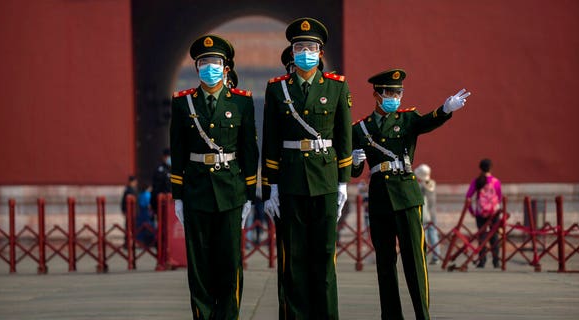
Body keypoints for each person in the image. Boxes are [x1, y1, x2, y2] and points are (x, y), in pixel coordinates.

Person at [351, 68, 470, 319]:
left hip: (406, 194)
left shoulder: (407, 119)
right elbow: (355, 171)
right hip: (380, 197)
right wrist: (354, 160)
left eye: (399, 92)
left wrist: (446, 109)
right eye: (391, 92)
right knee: (385, 263)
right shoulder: (360, 129)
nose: (396, 96)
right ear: (377, 94)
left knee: (415, 261)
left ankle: (422, 315)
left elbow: (427, 121)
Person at [262, 17, 352, 319]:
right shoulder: (277, 90)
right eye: (299, 46)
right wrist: (270, 186)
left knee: (325, 256)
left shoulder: (337, 87)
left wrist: (342, 182)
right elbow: (271, 140)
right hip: (289, 181)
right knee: (293, 259)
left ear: (320, 52)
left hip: (325, 180)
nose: (305, 52)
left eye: (310, 47)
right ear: (292, 50)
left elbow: (344, 136)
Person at [169, 34, 259, 319]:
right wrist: (178, 198)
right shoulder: (183, 104)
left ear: (226, 68)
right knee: (199, 266)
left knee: (230, 263)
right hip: (196, 192)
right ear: (197, 67)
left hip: (231, 190)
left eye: (215, 62)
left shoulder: (242, 103)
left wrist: (249, 195)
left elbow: (249, 152)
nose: (210, 67)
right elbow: (178, 152)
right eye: (204, 62)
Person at [465, 158, 502, 268]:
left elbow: (468, 197)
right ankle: (496, 261)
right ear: (491, 168)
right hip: (493, 213)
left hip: (480, 213)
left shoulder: (476, 181)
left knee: (482, 236)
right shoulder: (496, 181)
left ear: (480, 168)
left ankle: (482, 261)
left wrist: (472, 211)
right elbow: (499, 198)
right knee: (494, 236)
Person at [415, 164, 441, 265]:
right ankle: (436, 256)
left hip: (424, 214)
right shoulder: (433, 183)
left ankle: (423, 255)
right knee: (434, 234)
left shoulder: (419, 186)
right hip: (433, 213)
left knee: (423, 235)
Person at [151, 148, 171, 221]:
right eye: (167, 156)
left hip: (174, 204)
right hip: (162, 204)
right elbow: (156, 189)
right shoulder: (160, 170)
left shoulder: (175, 169)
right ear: (164, 157)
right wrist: (154, 206)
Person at [136, 182, 154, 247]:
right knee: (149, 227)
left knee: (141, 227)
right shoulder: (148, 194)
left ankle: (140, 242)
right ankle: (150, 242)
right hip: (147, 213)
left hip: (141, 212)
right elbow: (149, 205)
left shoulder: (141, 194)